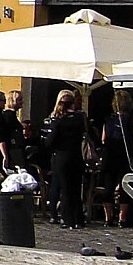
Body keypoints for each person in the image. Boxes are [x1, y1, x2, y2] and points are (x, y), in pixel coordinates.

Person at [42, 89, 90, 229]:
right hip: (77, 157)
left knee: (66, 189)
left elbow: (49, 143)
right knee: (76, 189)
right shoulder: (80, 119)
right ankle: (79, 219)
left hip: (62, 158)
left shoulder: (58, 121)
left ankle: (68, 220)